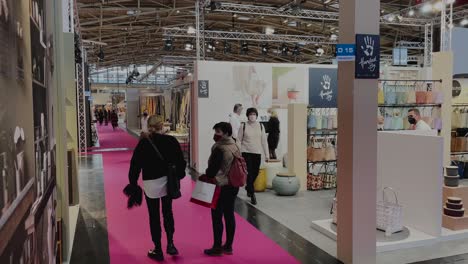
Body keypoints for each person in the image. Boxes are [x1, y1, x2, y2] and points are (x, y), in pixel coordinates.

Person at [128, 116, 187, 261]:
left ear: (149, 126)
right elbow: (180, 162)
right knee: (168, 212)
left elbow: (135, 164)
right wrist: (179, 176)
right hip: (168, 182)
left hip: (150, 183)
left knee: (153, 216)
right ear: (162, 126)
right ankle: (171, 243)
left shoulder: (144, 143)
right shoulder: (171, 141)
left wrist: (133, 182)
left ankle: (158, 249)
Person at [203, 122, 240, 257]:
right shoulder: (235, 145)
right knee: (229, 214)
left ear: (226, 133)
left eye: (218, 131)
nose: (216, 134)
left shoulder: (219, 148)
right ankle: (228, 246)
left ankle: (217, 247)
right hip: (233, 184)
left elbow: (212, 171)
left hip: (221, 185)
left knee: (217, 216)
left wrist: (207, 174)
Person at [237, 108, 269, 205]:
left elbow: (264, 141)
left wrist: (267, 154)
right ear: (247, 115)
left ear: (256, 115)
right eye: (250, 114)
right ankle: (252, 193)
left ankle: (248, 187)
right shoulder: (243, 125)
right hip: (246, 152)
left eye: (254, 114)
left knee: (255, 172)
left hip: (257, 153)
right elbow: (238, 140)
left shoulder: (260, 126)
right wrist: (238, 152)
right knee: (249, 172)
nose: (252, 116)